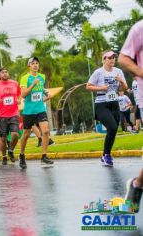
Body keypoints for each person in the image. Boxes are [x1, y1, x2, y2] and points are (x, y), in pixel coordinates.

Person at [118, 20, 143, 213]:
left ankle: (137, 185)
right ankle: (137, 185)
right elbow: (124, 58)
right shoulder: (139, 29)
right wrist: (141, 72)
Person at [86, 50, 128, 167]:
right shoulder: (98, 72)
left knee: (114, 130)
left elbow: (125, 88)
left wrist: (121, 82)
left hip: (114, 103)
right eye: (109, 58)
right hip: (101, 104)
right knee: (112, 126)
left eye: (113, 57)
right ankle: (107, 155)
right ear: (103, 59)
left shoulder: (118, 71)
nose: (112, 60)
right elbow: (88, 86)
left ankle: (105, 154)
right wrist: (101, 87)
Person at [19, 57, 54, 169]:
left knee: (46, 131)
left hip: (40, 109)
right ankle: (22, 155)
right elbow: (23, 94)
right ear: (29, 65)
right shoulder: (25, 78)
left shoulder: (42, 76)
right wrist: (33, 85)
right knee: (26, 135)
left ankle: (44, 156)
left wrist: (46, 92)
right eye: (33, 63)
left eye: (37, 63)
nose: (35, 65)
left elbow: (41, 88)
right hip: (29, 111)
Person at [0, 68, 21, 165]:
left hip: (14, 113)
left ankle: (10, 149)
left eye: (6, 72)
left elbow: (19, 95)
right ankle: (4, 156)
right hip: (1, 116)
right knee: (2, 139)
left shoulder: (14, 83)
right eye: (3, 72)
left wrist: (19, 100)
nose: (5, 74)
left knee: (15, 134)